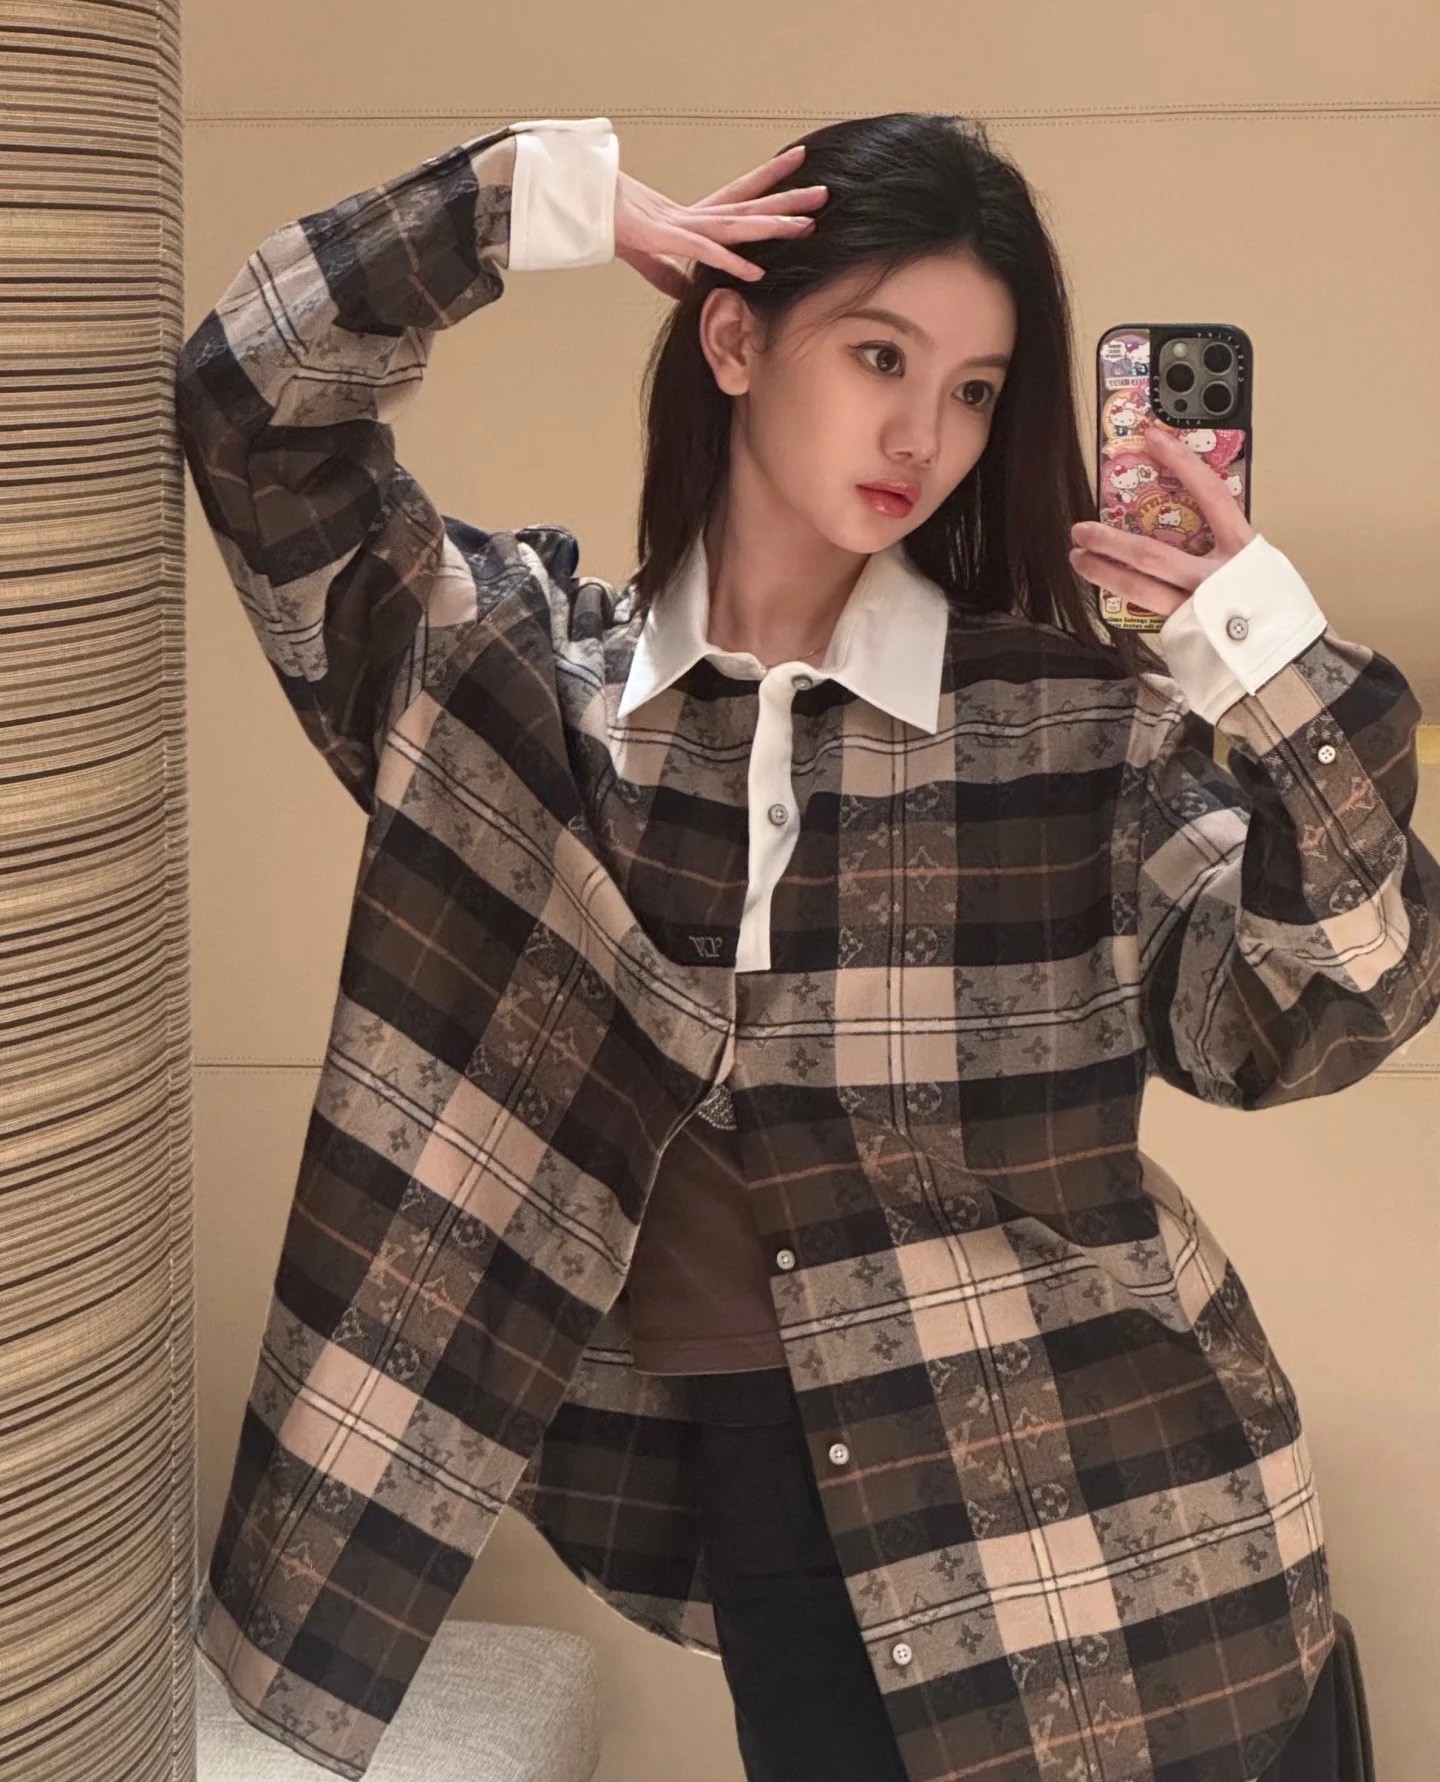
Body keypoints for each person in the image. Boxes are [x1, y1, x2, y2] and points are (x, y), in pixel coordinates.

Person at [175, 113, 1434, 1782]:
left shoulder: (1070, 729)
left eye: (974, 390)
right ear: (733, 337)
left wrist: (1261, 653)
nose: (923, 432)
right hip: (791, 1523)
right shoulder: (514, 691)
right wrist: (543, 201)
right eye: (878, 354)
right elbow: (253, 406)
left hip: (1160, 1560)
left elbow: (1330, 1006)